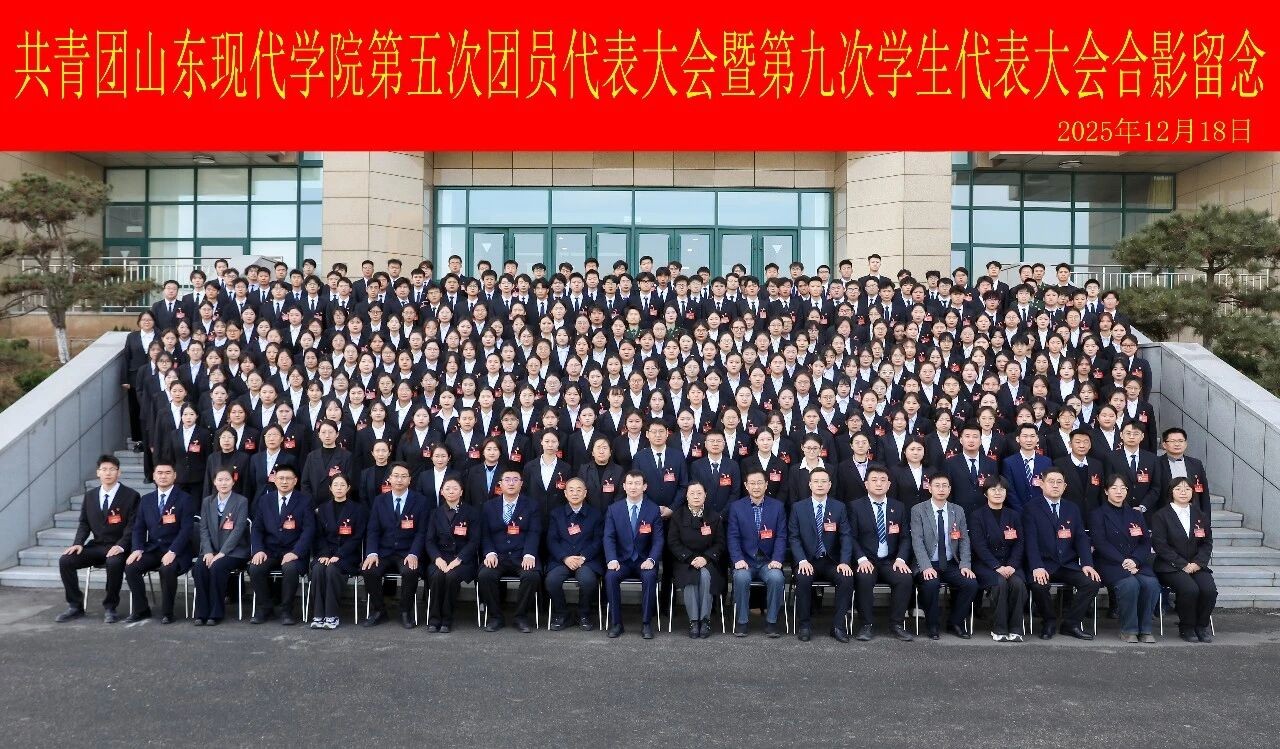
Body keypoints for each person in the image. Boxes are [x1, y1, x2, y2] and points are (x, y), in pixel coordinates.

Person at [55, 455, 141, 624]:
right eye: (104, 469)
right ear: (98, 473)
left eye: (112, 469)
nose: (108, 473)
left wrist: (121, 545)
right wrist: (78, 543)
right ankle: (75, 606)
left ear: (119, 472)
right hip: (97, 545)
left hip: (120, 547)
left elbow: (133, 526)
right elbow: (84, 523)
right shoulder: (90, 496)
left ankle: (110, 607)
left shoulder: (131, 495)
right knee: (66, 560)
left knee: (114, 562)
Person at [1023, 468, 1102, 640]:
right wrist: (1036, 566)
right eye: (1051, 481)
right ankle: (1049, 621)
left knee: (1091, 582)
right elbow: (1030, 540)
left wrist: (1087, 563)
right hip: (1044, 564)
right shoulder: (1031, 508)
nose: (1055, 485)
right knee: (1039, 585)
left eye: (1059, 482)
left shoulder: (1071, 508)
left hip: (1067, 563)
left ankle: (1071, 624)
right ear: (1041, 484)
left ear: (1065, 486)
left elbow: (1081, 537)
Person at [846, 465, 915, 642]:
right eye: (874, 480)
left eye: (883, 480)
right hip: (866, 559)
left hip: (890, 560)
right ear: (866, 484)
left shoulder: (898, 507)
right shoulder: (855, 506)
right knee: (864, 578)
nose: (879, 484)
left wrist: (901, 559)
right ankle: (867, 624)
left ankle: (896, 624)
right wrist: (861, 559)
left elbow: (905, 538)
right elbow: (850, 537)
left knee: (905, 578)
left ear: (889, 484)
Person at [788, 467, 856, 643]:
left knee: (846, 578)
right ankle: (804, 625)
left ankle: (838, 626)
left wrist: (844, 561)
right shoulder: (798, 507)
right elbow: (794, 537)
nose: (820, 484)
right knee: (803, 578)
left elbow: (846, 536)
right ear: (810, 484)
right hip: (807, 560)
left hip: (831, 560)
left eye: (823, 481)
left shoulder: (839, 507)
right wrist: (802, 560)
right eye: (816, 481)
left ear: (830, 485)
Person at [1089, 475, 1160, 643]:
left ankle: (1145, 629)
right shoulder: (1097, 514)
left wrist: (1135, 560)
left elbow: (1145, 541)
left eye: (1123, 488)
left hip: (1136, 562)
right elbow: (1100, 543)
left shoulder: (1136, 514)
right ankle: (1129, 629)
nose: (1119, 491)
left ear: (1127, 491)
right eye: (1114, 488)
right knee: (1130, 584)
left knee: (1151, 584)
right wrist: (1123, 561)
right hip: (1109, 563)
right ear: (1106, 491)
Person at [122, 462, 195, 624]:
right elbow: (139, 528)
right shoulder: (146, 500)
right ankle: (142, 609)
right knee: (131, 567)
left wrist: (173, 551)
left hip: (178, 550)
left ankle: (167, 612)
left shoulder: (185, 499)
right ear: (154, 476)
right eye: (159, 473)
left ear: (174, 476)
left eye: (168, 473)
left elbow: (186, 529)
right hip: (154, 548)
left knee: (167, 569)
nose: (163, 476)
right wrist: (137, 549)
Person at [909, 472, 978, 639]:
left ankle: (955, 622)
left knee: (970, 584)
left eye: (944, 486)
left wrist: (965, 565)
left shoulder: (957, 510)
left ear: (949, 489)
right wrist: (925, 567)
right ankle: (932, 625)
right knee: (931, 584)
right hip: (927, 563)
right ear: (929, 488)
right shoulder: (918, 510)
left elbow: (964, 540)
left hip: (950, 562)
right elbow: (917, 541)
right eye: (937, 486)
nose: (941, 489)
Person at [361, 462, 430, 628]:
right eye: (396, 476)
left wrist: (414, 553)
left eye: (404, 476)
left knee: (410, 571)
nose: (399, 480)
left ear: (410, 480)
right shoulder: (379, 500)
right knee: (369, 570)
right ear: (389, 479)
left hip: (407, 552)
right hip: (383, 552)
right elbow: (373, 530)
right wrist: (372, 553)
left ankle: (405, 611)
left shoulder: (421, 501)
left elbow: (422, 532)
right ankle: (379, 611)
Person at [477, 465, 543, 633]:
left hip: (521, 555)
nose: (511, 483)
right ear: (500, 484)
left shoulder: (532, 505)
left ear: (521, 483)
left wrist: (529, 554)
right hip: (498, 555)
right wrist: (489, 553)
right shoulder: (489, 506)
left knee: (532, 576)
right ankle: (495, 617)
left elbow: (534, 532)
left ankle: (520, 617)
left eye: (515, 480)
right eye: (507, 480)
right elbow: (485, 534)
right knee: (485, 575)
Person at [1151, 477, 1217, 643]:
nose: (1183, 492)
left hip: (1196, 565)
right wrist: (1182, 564)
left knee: (1209, 590)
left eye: (1187, 489)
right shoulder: (1161, 515)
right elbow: (1160, 545)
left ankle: (1201, 626)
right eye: (1178, 489)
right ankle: (1187, 627)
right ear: (1171, 492)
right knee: (1190, 589)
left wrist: (1197, 563)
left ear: (1192, 492)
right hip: (1170, 566)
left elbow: (1207, 542)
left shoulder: (1200, 515)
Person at [248, 464, 315, 625]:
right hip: (269, 551)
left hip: (294, 551)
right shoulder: (265, 500)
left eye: (288, 478)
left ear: (295, 481)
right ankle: (265, 608)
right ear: (275, 480)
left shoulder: (305, 501)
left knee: (290, 569)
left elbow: (309, 530)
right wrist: (258, 550)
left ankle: (286, 610)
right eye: (281, 478)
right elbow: (257, 528)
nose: (284, 482)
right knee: (255, 568)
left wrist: (296, 552)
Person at [726, 469, 788, 637]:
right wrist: (738, 559)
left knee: (777, 578)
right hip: (745, 561)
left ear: (766, 485)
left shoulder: (777, 507)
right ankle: (742, 621)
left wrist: (777, 559)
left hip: (768, 561)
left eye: (760, 483)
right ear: (746, 486)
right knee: (741, 578)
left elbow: (781, 536)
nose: (756, 486)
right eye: (752, 483)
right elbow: (732, 536)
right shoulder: (736, 507)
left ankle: (771, 621)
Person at [603, 470, 664, 639]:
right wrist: (612, 559)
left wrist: (652, 559)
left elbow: (658, 540)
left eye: (637, 483)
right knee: (610, 577)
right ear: (624, 486)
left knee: (650, 576)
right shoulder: (614, 509)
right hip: (621, 561)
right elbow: (608, 537)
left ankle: (646, 623)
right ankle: (616, 623)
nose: (633, 487)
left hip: (644, 560)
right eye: (630, 483)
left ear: (644, 486)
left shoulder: (653, 509)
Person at [967, 477, 1027, 641]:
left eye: (1001, 489)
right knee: (999, 583)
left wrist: (1012, 565)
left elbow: (1020, 543)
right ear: (985, 493)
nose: (997, 492)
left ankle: (1015, 629)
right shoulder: (977, 516)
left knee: (1018, 584)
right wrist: (996, 566)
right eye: (993, 489)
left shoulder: (1014, 515)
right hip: (986, 565)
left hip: (1011, 565)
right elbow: (979, 545)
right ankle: (999, 628)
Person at [192, 468, 251, 625]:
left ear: (233, 481)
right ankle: (201, 613)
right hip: (211, 550)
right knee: (199, 567)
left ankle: (215, 613)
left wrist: (222, 552)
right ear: (214, 482)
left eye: (227, 479)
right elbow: (203, 528)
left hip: (234, 551)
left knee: (217, 567)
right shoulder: (207, 501)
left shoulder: (241, 501)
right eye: (220, 480)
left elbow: (238, 530)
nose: (223, 483)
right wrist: (208, 551)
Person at [544, 477, 603, 631]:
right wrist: (565, 557)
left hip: (587, 560)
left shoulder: (595, 514)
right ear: (565, 493)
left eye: (578, 490)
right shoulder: (556, 514)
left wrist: (583, 557)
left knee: (588, 580)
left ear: (585, 493)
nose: (575, 493)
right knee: (552, 580)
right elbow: (551, 540)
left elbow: (598, 541)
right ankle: (562, 614)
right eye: (571, 490)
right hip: (562, 560)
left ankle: (583, 614)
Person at [309, 473, 368, 630]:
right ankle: (318, 615)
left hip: (347, 556)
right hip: (325, 554)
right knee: (318, 569)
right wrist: (324, 554)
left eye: (342, 485)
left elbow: (357, 537)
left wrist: (339, 555)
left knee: (332, 569)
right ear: (330, 488)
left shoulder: (358, 510)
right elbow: (319, 536)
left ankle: (332, 615)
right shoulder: (321, 509)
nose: (339, 488)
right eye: (335, 485)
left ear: (348, 488)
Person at [667, 482, 726, 638]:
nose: (696, 496)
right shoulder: (677, 516)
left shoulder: (714, 517)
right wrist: (690, 558)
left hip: (708, 561)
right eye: (692, 493)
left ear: (705, 495)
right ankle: (694, 621)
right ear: (686, 496)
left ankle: (704, 620)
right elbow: (673, 542)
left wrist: (706, 558)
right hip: (685, 561)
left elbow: (720, 543)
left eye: (699, 493)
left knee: (705, 576)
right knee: (691, 577)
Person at [423, 476, 480, 633]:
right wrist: (437, 558)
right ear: (442, 492)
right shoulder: (435, 513)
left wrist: (459, 559)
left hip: (463, 560)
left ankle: (447, 620)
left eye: (455, 488)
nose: (451, 491)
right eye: (447, 488)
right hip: (440, 558)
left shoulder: (472, 512)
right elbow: (429, 540)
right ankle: (434, 619)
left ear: (461, 492)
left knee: (451, 576)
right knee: (437, 576)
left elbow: (474, 541)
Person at [1157, 428, 1210, 514]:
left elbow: (1204, 494)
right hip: (1164, 512)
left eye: (1181, 441)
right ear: (1164, 445)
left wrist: (1206, 518)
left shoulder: (1196, 464)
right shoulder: (1156, 463)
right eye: (1172, 441)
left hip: (1192, 512)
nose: (1177, 444)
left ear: (1185, 444)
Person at [1002, 424, 1052, 512]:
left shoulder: (1046, 462)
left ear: (1037, 439)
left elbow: (1048, 487)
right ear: (1018, 439)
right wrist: (1020, 510)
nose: (1029, 440)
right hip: (1017, 512)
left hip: (1042, 511)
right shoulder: (1009, 462)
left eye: (1032, 436)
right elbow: (1009, 490)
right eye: (1025, 436)